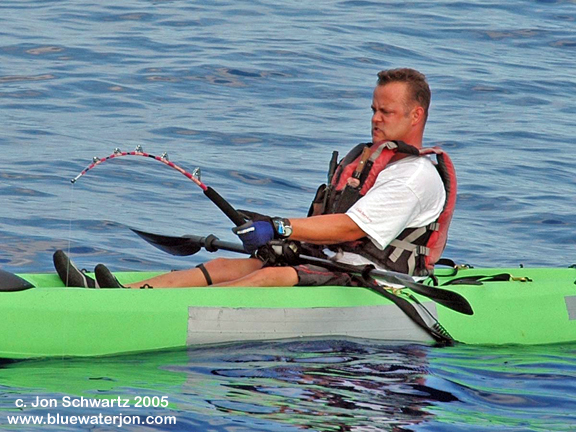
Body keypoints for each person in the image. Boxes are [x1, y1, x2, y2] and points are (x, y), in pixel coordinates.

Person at [54, 68, 454, 289]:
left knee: (273, 275)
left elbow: (349, 226)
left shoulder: (415, 176)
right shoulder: (366, 159)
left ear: (415, 116)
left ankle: (164, 315)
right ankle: (131, 296)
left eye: (386, 112)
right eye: (373, 109)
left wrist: (278, 227)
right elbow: (330, 229)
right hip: (332, 263)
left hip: (382, 281)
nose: (375, 119)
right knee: (244, 262)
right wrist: (275, 234)